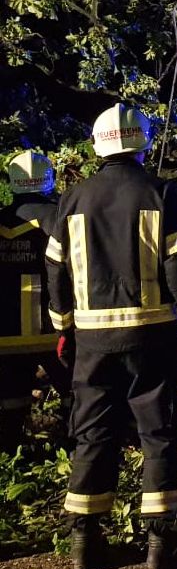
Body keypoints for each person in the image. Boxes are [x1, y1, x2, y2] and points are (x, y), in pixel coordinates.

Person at [45, 102, 177, 569]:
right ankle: (163, 545)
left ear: (98, 145)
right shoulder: (166, 193)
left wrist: (63, 328)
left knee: (93, 433)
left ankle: (85, 540)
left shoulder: (73, 199)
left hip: (92, 341)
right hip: (152, 337)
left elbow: (56, 273)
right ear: (142, 142)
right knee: (158, 432)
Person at [0, 151, 64, 453]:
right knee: (77, 396)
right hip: (57, 331)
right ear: (48, 180)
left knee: (11, 403)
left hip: (7, 336)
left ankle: (13, 457)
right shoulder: (59, 218)